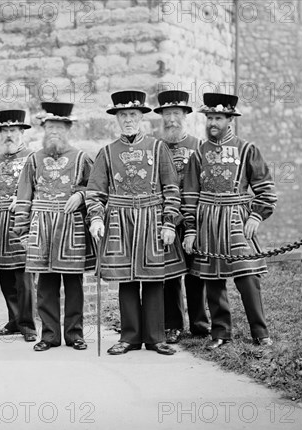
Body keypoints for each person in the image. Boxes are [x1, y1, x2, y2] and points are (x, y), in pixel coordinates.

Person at [86, 90, 185, 356]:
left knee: (154, 279)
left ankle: (155, 337)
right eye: (123, 115)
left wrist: (169, 223)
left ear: (141, 117)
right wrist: (96, 218)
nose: (128, 119)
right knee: (126, 280)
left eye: (132, 114)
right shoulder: (107, 153)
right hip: (119, 220)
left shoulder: (157, 147)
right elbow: (95, 192)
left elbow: (172, 189)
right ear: (116, 119)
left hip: (152, 218)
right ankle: (129, 337)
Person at [182, 93, 277, 350]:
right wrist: (190, 230)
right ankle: (221, 332)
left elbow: (266, 189)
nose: (213, 122)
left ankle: (260, 331)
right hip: (208, 221)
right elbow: (189, 195)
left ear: (229, 120)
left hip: (237, 218)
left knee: (247, 276)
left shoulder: (247, 150)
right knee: (213, 280)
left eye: (218, 118)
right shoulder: (198, 154)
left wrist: (256, 215)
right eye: (210, 118)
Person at [13, 102, 95, 352]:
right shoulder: (33, 160)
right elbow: (24, 196)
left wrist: (81, 196)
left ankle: (75, 334)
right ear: (44, 129)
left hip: (71, 227)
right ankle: (49, 335)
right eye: (50, 127)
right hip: (42, 228)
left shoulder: (81, 158)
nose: (54, 132)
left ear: (68, 129)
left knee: (73, 285)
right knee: (46, 286)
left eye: (59, 127)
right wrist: (23, 232)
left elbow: (95, 190)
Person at [153, 90, 210, 343]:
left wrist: (195, 220)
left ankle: (199, 323)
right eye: (167, 114)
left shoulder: (198, 146)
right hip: (165, 218)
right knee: (169, 274)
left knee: (196, 272)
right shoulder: (155, 147)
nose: (171, 119)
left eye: (176, 113)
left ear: (185, 116)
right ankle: (173, 325)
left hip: (193, 216)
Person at [0, 110, 37, 342]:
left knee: (24, 276)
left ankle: (28, 324)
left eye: (13, 131)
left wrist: (25, 200)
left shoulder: (34, 158)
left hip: (23, 221)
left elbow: (44, 188)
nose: (8, 135)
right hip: (1, 222)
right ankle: (14, 320)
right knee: (5, 276)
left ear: (22, 132)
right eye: (4, 131)